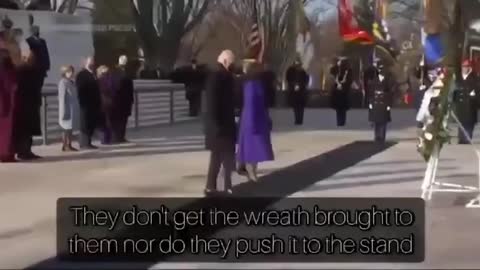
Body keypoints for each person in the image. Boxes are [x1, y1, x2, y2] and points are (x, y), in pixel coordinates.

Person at [204, 50, 236, 195]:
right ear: (225, 62)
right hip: (220, 125)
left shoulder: (222, 77)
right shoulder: (218, 78)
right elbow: (212, 103)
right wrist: (217, 124)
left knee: (217, 157)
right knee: (227, 156)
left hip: (220, 125)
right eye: (232, 63)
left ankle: (212, 186)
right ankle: (226, 186)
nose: (234, 66)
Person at [236, 59, 274, 181]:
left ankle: (248, 168)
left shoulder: (250, 82)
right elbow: (253, 102)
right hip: (254, 118)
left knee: (252, 146)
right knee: (254, 145)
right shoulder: (254, 83)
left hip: (252, 117)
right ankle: (250, 169)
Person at [15, 49, 42, 160]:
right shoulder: (20, 70)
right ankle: (23, 151)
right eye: (31, 58)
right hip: (24, 105)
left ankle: (27, 150)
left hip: (32, 104)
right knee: (24, 130)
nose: (33, 60)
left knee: (29, 131)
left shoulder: (32, 70)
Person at [76, 56, 102, 149]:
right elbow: (80, 89)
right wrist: (83, 101)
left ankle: (88, 142)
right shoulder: (82, 74)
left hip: (93, 104)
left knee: (90, 123)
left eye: (93, 62)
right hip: (86, 103)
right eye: (90, 62)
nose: (92, 64)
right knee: (85, 123)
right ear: (85, 63)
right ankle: (84, 143)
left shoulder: (92, 74)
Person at [453, 60, 479, 144]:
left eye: (466, 66)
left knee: (469, 122)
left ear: (469, 67)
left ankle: (467, 138)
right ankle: (461, 138)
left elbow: (478, 90)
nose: (464, 68)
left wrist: (474, 95)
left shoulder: (475, 78)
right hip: (460, 105)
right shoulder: (458, 78)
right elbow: (454, 91)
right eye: (463, 66)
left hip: (470, 104)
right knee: (461, 121)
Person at [367, 63, 393, 143]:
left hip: (384, 103)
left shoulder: (388, 80)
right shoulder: (374, 80)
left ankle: (382, 136)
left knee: (383, 121)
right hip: (375, 103)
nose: (381, 72)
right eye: (380, 70)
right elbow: (371, 92)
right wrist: (370, 103)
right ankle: (377, 136)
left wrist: (389, 104)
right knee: (376, 121)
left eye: (383, 70)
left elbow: (390, 93)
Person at [0, 49, 18, 162]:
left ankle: (5, 154)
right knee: (9, 132)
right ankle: (7, 154)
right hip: (9, 105)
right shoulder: (9, 70)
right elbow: (12, 85)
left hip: (4, 104)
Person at [26, 25, 50, 103]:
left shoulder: (42, 41)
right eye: (35, 31)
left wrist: (47, 66)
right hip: (32, 68)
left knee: (40, 84)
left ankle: (38, 99)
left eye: (37, 30)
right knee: (33, 85)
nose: (37, 32)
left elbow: (46, 53)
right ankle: (34, 100)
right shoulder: (28, 41)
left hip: (41, 68)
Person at [58, 65, 79, 152]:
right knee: (65, 128)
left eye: (71, 71)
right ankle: (65, 145)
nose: (71, 73)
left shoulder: (71, 82)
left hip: (72, 109)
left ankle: (69, 144)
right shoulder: (63, 82)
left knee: (70, 128)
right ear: (64, 73)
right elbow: (62, 97)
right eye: (68, 72)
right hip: (66, 108)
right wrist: (64, 111)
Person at [114, 55, 134, 143]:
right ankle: (118, 137)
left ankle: (121, 136)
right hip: (120, 100)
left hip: (126, 100)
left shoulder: (126, 72)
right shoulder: (116, 72)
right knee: (120, 119)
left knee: (124, 120)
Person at [330, 57, 353, 127]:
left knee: (342, 109)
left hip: (343, 92)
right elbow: (331, 71)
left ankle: (341, 122)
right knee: (339, 109)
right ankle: (340, 122)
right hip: (338, 92)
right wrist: (336, 65)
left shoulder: (348, 70)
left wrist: (343, 86)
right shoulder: (337, 70)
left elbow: (349, 80)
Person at [97, 65, 117, 145]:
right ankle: (105, 139)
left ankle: (107, 139)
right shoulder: (100, 80)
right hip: (103, 102)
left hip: (108, 102)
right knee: (105, 121)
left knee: (107, 121)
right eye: (104, 72)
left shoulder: (108, 80)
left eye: (107, 72)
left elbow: (112, 90)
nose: (106, 74)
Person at [286, 59, 309, 125]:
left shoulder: (302, 72)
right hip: (296, 93)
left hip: (300, 93)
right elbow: (288, 79)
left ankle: (299, 120)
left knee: (299, 107)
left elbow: (305, 81)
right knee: (297, 107)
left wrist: (299, 85)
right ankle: (298, 120)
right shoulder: (291, 71)